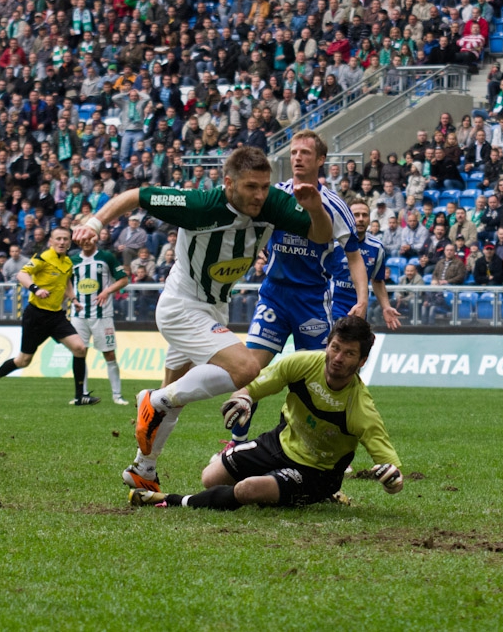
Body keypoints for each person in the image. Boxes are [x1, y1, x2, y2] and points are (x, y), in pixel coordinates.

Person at [71, 146, 334, 493]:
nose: (259, 195)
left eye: (264, 186)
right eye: (251, 186)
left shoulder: (272, 204)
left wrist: (315, 209)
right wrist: (93, 223)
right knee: (246, 369)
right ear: (229, 183)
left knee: (173, 397)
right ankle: (154, 401)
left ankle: (143, 468)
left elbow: (322, 235)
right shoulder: (199, 205)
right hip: (182, 306)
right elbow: (136, 195)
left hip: (214, 307)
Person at [128, 317, 403, 510]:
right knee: (210, 478)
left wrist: (392, 481)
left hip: (317, 472)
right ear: (328, 344)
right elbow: (252, 387)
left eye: (349, 354)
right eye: (335, 348)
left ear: (362, 361)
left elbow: (393, 474)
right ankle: (277, 485)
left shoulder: (361, 408)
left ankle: (174, 501)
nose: (338, 358)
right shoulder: (303, 363)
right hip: (278, 443)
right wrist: (243, 399)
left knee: (247, 490)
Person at [228, 131, 367, 448]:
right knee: (250, 371)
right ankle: (236, 444)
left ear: (320, 160)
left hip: (312, 301)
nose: (297, 157)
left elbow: (354, 256)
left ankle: (318, 447)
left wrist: (362, 300)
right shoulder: (274, 195)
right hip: (274, 296)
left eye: (305, 152)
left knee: (318, 380)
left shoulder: (335, 205)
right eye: (293, 152)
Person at [0, 228, 100, 407]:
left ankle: (79, 396)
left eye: (65, 239)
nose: (62, 242)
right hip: (36, 316)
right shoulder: (43, 258)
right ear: (51, 241)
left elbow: (66, 281)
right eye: (58, 239)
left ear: (69, 242)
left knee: (80, 348)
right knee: (23, 361)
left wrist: (73, 298)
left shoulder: (67, 262)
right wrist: (36, 289)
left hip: (56, 316)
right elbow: (21, 274)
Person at [70, 236, 131, 405]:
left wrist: (107, 291)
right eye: (83, 239)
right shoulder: (72, 260)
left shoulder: (106, 257)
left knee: (109, 354)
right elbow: (66, 284)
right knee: (79, 353)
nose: (86, 242)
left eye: (89, 238)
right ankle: (81, 394)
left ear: (95, 239)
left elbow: (123, 279)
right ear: (79, 241)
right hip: (78, 315)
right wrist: (72, 299)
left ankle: (117, 395)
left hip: (102, 314)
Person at [327, 199, 401, 330]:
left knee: (354, 341)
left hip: (360, 306)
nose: (361, 219)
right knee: (339, 337)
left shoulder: (376, 247)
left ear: (369, 219)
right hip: (334, 303)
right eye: (356, 215)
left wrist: (386, 306)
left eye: (364, 215)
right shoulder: (334, 244)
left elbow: (377, 280)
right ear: (348, 217)